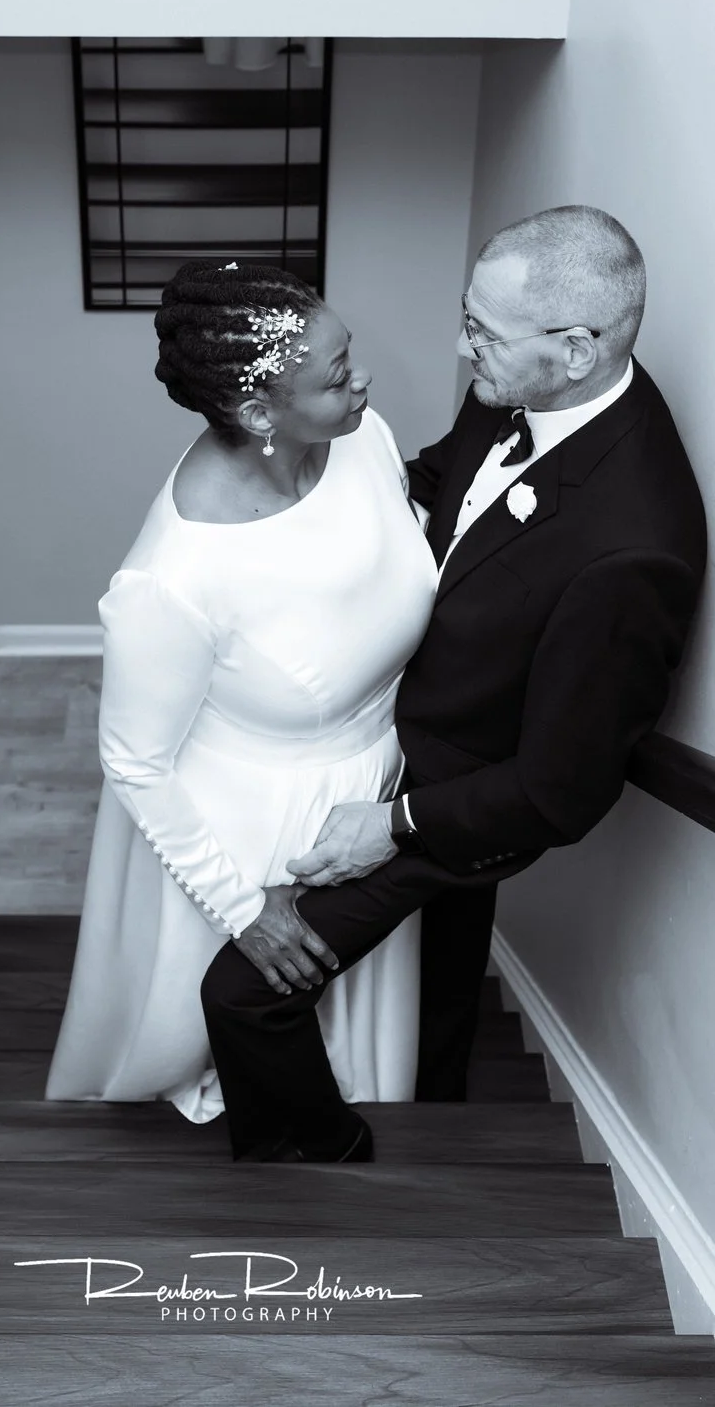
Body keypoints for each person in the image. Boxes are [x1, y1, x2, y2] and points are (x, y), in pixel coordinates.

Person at [200, 206, 707, 1162]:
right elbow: (437, 482)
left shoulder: (635, 545)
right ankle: (436, 1101)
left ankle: (318, 1161)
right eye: (467, 318)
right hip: (397, 718)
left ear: (578, 348)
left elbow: (561, 792)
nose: (461, 347)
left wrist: (392, 825)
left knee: (241, 992)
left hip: (462, 791)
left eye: (483, 332)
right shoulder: (517, 384)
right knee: (443, 971)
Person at [46, 261, 438, 1132]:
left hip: (374, 797)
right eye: (336, 376)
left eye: (350, 354)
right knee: (254, 1028)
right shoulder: (174, 577)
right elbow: (135, 763)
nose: (363, 380)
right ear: (260, 414)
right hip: (253, 836)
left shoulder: (363, 437)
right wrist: (244, 908)